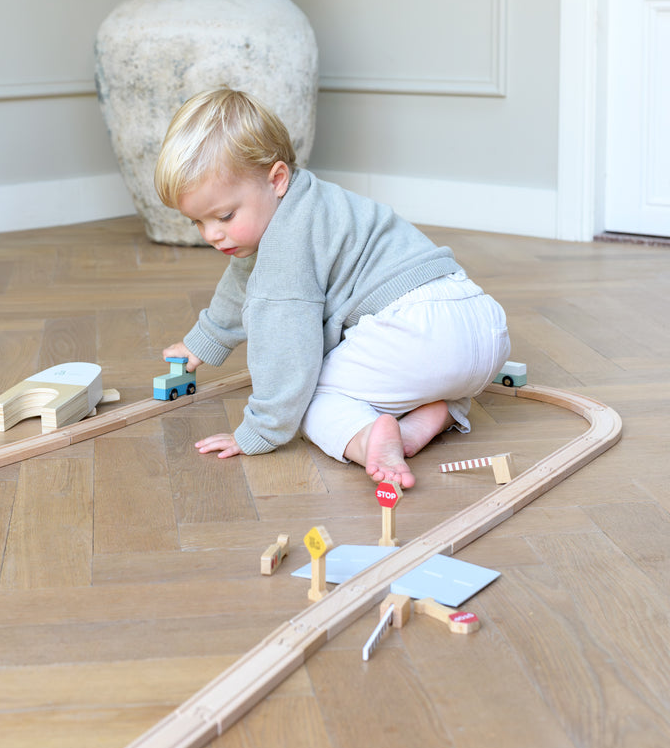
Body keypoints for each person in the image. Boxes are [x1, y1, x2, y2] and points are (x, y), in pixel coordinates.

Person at [154, 88, 511, 489]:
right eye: (197, 222)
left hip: (416, 336)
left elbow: (286, 349)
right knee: (426, 369)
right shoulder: (313, 199)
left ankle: (367, 440)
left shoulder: (286, 248)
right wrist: (203, 341)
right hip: (482, 328)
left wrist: (261, 430)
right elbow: (242, 281)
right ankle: (434, 413)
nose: (212, 235)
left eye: (224, 216)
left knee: (307, 397)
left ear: (276, 180)